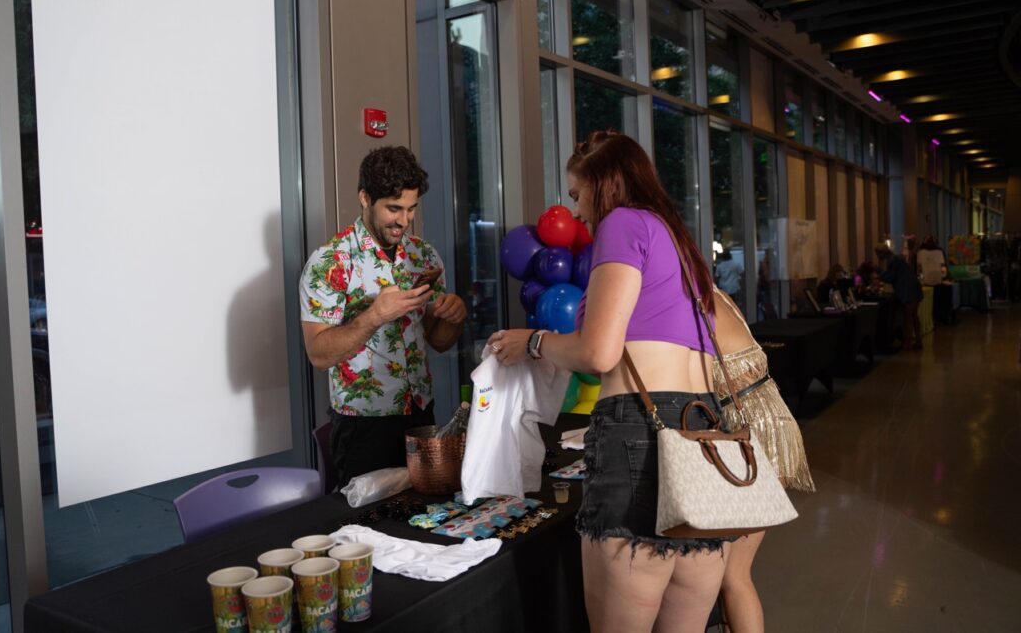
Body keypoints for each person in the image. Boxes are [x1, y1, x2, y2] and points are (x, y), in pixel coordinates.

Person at [488, 131, 733, 633]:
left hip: (641, 437)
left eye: (577, 194)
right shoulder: (678, 239)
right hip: (705, 429)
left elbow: (599, 352)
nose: (575, 212)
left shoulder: (623, 224)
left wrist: (532, 341)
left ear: (605, 186)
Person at [299, 146, 467, 489]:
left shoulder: (423, 255)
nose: (404, 221)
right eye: (394, 209)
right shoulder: (330, 262)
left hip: (421, 415)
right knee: (369, 534)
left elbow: (437, 341)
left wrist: (452, 318)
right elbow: (318, 353)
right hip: (363, 426)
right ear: (365, 198)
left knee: (429, 520)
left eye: (410, 209)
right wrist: (375, 315)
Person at [711, 288, 815, 633]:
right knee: (732, 572)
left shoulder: (691, 305)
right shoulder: (718, 295)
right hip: (774, 425)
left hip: (754, 435)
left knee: (732, 575)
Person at [876, 242, 923, 349]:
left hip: (907, 290)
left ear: (882, 254)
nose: (878, 258)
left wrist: (878, 271)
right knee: (914, 316)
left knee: (907, 317)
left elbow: (889, 277)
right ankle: (918, 340)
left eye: (878, 255)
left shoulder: (893, 261)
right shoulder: (896, 258)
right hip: (914, 287)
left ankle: (907, 342)